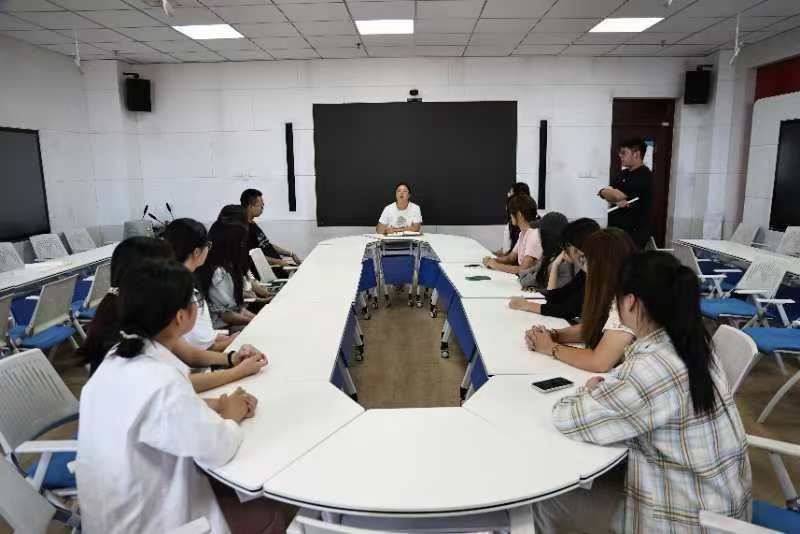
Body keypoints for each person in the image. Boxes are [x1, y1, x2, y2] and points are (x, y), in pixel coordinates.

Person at [532, 251, 751, 533]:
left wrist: (588, 391)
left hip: (687, 519)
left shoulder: (652, 367)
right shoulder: (693, 343)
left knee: (542, 503)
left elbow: (570, 419)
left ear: (631, 302)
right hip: (719, 501)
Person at [77, 259, 295, 534]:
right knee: (265, 511)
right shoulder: (160, 380)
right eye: (194, 300)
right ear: (181, 317)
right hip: (151, 523)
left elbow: (157, 413)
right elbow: (217, 449)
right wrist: (232, 413)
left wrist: (219, 403)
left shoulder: (116, 358)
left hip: (112, 514)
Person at [78, 236, 266, 392]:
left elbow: (189, 354)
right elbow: (176, 385)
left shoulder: (140, 310)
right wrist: (236, 372)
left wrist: (232, 358)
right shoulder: (127, 325)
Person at [525, 228, 637, 373]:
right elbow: (596, 327)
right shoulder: (613, 291)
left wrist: (551, 347)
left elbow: (599, 362)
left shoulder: (629, 300)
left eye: (586, 259)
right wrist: (553, 335)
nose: (583, 265)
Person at [162, 218, 236, 352]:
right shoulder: (182, 288)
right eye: (207, 244)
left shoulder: (174, 280)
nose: (209, 248)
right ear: (196, 252)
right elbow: (202, 348)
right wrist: (234, 341)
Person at [509, 218, 599, 321]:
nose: (565, 249)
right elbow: (554, 299)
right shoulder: (584, 272)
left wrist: (526, 305)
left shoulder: (596, 274)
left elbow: (566, 310)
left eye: (568, 245)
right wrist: (555, 265)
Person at [197, 219, 256, 329]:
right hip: (223, 326)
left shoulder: (232, 263)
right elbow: (226, 313)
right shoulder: (215, 271)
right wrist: (255, 320)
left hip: (239, 313)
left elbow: (250, 278)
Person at [598, 138, 653, 248]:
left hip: (633, 235)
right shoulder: (622, 173)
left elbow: (615, 195)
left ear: (636, 154)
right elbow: (608, 194)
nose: (620, 156)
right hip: (615, 232)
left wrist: (607, 193)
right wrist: (603, 191)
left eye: (624, 153)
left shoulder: (644, 175)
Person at [241, 189, 301, 279]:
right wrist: (279, 262)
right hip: (273, 272)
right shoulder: (244, 229)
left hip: (280, 266)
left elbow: (267, 244)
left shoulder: (253, 224)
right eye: (261, 205)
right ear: (250, 206)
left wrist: (291, 253)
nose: (262, 208)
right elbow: (254, 257)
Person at [482, 194, 541, 275]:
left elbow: (522, 270)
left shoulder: (533, 235)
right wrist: (492, 260)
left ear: (519, 215)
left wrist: (494, 265)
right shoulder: (523, 233)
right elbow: (510, 258)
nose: (510, 216)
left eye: (511, 213)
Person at [517, 211, 570, 291]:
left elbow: (525, 280)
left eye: (541, 233)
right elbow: (523, 275)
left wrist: (539, 288)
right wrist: (539, 288)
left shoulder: (563, 262)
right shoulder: (549, 257)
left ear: (546, 237)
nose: (539, 236)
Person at [497, 182, 533, 255]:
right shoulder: (516, 227)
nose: (508, 195)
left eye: (510, 193)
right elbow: (506, 251)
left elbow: (510, 255)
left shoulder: (528, 229)